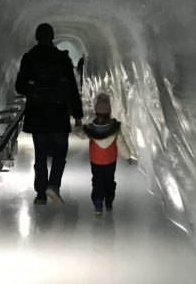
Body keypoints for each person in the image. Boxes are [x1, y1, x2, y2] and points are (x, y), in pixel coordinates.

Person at [15, 23, 84, 205]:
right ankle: (53, 185)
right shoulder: (62, 58)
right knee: (60, 153)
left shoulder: (28, 58)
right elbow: (72, 89)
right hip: (58, 112)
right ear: (52, 37)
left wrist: (32, 87)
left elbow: (19, 86)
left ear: (37, 37)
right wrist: (77, 115)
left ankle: (40, 194)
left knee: (40, 154)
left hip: (37, 113)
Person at [81, 91, 136, 216]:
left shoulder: (91, 128)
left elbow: (82, 134)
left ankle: (98, 204)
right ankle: (109, 201)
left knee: (97, 181)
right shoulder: (115, 128)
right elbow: (121, 143)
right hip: (110, 160)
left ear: (96, 112)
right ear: (109, 112)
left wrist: (77, 128)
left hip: (95, 160)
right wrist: (127, 156)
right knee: (109, 180)